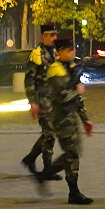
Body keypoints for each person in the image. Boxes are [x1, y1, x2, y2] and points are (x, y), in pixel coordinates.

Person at [37, 37, 94, 205]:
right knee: (72, 153)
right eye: (69, 50)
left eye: (73, 49)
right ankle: (73, 192)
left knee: (75, 152)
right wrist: (77, 91)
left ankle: (45, 176)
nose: (73, 52)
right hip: (61, 117)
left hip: (71, 116)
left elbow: (77, 97)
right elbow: (62, 96)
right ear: (59, 52)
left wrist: (85, 119)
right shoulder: (55, 70)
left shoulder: (70, 67)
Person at [21, 23, 61, 180]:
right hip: (42, 98)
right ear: (43, 36)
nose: (55, 38)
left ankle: (30, 158)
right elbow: (29, 80)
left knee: (50, 133)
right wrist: (32, 102)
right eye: (51, 35)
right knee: (50, 133)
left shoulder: (58, 52)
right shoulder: (36, 55)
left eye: (55, 35)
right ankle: (47, 169)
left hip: (55, 99)